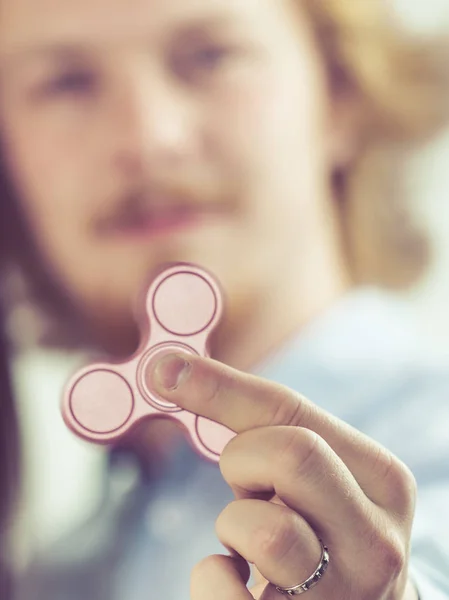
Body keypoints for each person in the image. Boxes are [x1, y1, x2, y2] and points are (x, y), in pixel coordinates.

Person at [0, 0, 449, 598]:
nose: (148, 138)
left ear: (340, 96)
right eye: (65, 82)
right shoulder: (55, 570)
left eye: (212, 56)